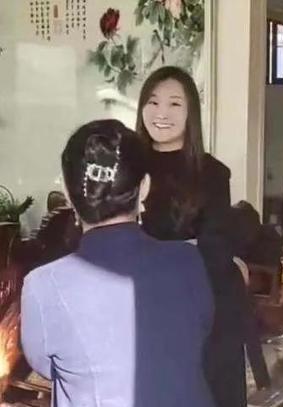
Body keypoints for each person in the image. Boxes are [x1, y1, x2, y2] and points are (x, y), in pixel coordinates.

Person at [21, 119, 215, 407]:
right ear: (144, 187)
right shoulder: (188, 261)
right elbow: (197, 336)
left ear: (68, 194)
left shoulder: (42, 285)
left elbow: (46, 367)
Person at [136, 66, 269, 407]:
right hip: (144, 312)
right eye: (153, 102)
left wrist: (155, 251)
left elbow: (213, 249)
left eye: (174, 103)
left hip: (204, 313)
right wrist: (185, 247)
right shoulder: (128, 169)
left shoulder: (211, 172)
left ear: (191, 112)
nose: (162, 113)